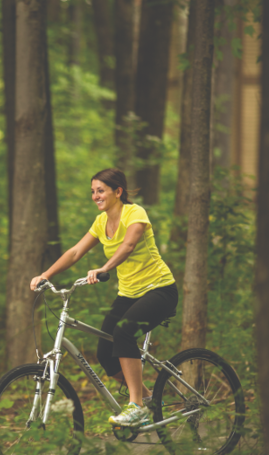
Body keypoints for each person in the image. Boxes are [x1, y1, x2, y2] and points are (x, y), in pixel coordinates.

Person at [30, 168, 178, 427]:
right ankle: (148, 398)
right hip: (129, 293)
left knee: (123, 333)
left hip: (160, 290)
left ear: (117, 192)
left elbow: (128, 245)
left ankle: (136, 406)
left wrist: (104, 268)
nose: (95, 196)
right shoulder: (100, 223)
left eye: (100, 191)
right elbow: (75, 252)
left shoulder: (135, 213)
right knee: (105, 353)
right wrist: (46, 274)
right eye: (93, 192)